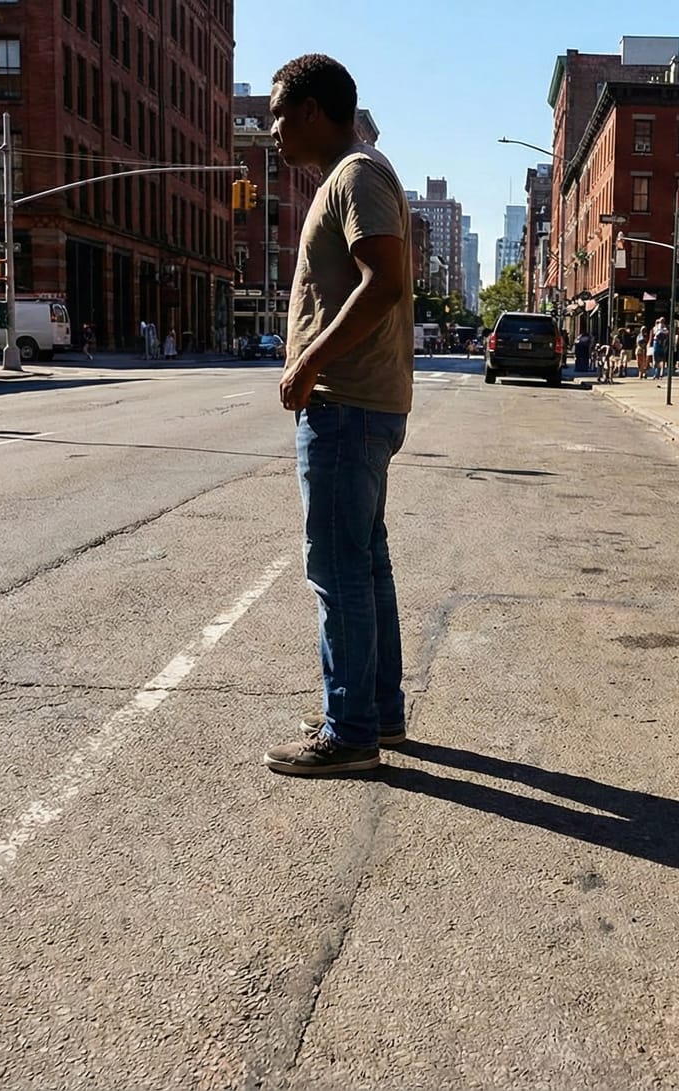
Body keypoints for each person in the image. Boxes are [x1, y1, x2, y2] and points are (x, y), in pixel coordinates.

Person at [259, 54, 414, 776]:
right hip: (358, 405)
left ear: (314, 110)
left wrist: (308, 360)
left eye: (279, 114)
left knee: (338, 568)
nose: (272, 129)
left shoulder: (355, 173)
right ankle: (377, 710)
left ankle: (350, 728)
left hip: (345, 405)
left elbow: (385, 281)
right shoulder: (351, 174)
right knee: (364, 561)